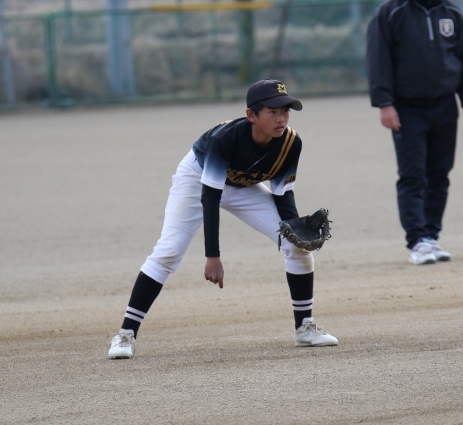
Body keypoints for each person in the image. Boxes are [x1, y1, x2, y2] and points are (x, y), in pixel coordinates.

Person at [107, 79, 338, 359]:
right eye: (272, 111)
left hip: (243, 187)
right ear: (251, 115)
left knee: (296, 245)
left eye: (285, 111)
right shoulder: (225, 138)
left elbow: (283, 193)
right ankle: (126, 334)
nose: (281, 118)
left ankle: (304, 328)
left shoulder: (290, 142)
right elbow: (210, 198)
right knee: (169, 251)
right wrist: (212, 256)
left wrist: (293, 228)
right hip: (197, 180)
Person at [366, 0, 463, 265]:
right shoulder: (389, 12)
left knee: (440, 174)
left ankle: (431, 236)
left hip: (445, 105)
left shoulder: (453, 13)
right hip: (407, 108)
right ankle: (417, 241)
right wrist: (384, 103)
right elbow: (378, 60)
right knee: (413, 175)